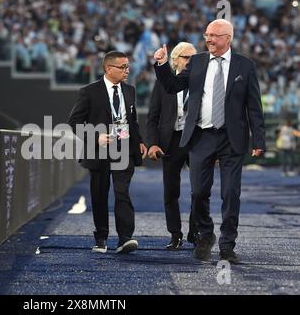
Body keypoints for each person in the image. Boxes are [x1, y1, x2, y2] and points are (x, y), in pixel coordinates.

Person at [153, 19, 266, 262]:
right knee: (198, 192)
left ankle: (227, 245)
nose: (209, 39)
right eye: (207, 35)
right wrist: (162, 63)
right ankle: (205, 233)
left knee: (230, 193)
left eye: (214, 35)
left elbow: (254, 106)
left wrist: (259, 139)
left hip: (231, 138)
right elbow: (171, 86)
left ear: (228, 38)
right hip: (200, 136)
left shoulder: (245, 66)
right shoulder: (196, 62)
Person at [68, 51, 147, 254]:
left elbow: (133, 121)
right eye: (123, 67)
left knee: (122, 192)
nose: (127, 71)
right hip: (99, 150)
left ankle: (125, 238)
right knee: (99, 195)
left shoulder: (130, 90)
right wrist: (95, 137)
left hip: (124, 149)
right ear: (108, 68)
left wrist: (139, 141)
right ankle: (101, 238)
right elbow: (74, 122)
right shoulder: (89, 91)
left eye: (128, 66)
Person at [146, 42, 198, 250]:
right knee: (171, 191)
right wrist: (152, 144)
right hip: (171, 141)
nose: (191, 62)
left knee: (200, 190)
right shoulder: (162, 82)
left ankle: (196, 232)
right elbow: (152, 117)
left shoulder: (200, 81)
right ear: (175, 59)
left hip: (195, 139)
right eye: (187, 57)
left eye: (194, 58)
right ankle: (175, 234)